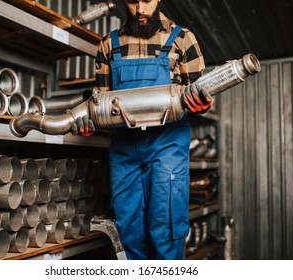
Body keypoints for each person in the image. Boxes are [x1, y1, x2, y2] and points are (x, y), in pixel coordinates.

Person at [71, 0, 213, 260]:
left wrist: (202, 103)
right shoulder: (108, 45)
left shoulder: (182, 39)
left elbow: (200, 93)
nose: (140, 10)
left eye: (147, 1)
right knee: (129, 230)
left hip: (167, 147)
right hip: (125, 152)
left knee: (166, 227)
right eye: (133, 2)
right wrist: (90, 121)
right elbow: (102, 104)